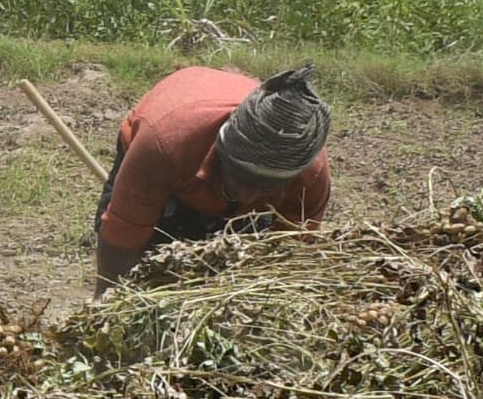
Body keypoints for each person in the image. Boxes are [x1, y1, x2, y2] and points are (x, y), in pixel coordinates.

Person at [88, 63, 335, 285]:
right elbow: (123, 235)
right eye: (241, 178)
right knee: (152, 268)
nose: (248, 198)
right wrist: (109, 306)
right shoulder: (165, 145)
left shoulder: (310, 177)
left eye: (266, 187)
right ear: (221, 151)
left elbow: (286, 257)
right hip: (169, 153)